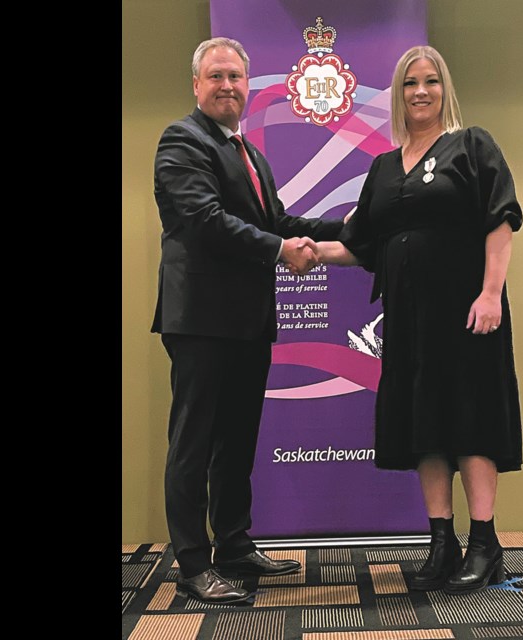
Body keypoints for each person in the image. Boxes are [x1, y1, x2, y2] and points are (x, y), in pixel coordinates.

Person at [315, 45, 523, 595]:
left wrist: (491, 293)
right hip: (407, 318)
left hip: (466, 312)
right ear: (398, 94)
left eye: (431, 81)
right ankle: (442, 542)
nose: (421, 91)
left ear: (444, 89)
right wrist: (305, 250)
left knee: (471, 419)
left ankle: (485, 543)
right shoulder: (383, 168)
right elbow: (359, 245)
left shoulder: (472, 144)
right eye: (411, 83)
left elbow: (500, 218)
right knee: (424, 424)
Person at [151, 37, 345, 604]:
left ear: (248, 85)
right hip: (202, 323)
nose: (227, 86)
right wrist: (278, 251)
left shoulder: (249, 152)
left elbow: (278, 220)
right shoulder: (180, 141)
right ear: (196, 84)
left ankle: (234, 545)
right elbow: (204, 220)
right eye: (216, 76)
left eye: (236, 76)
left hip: (248, 322)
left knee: (237, 440)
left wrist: (351, 229)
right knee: (193, 443)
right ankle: (192, 563)